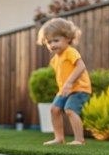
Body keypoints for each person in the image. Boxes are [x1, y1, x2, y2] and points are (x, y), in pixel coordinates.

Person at [37, 17, 92, 145]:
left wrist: (69, 83)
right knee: (54, 109)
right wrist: (64, 87)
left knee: (70, 110)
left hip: (79, 89)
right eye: (49, 42)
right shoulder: (55, 59)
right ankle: (59, 138)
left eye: (56, 40)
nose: (52, 45)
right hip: (64, 90)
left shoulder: (70, 52)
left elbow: (81, 67)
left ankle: (79, 140)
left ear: (67, 38)